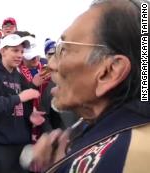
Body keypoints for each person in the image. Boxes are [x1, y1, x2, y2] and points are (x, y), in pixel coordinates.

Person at [29, 0, 150, 173]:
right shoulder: (97, 124)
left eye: (64, 49)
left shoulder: (124, 159)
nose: (51, 65)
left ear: (109, 72)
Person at [0, 34, 41, 173]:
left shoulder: (18, 76)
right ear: (3, 51)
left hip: (21, 144)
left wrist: (31, 115)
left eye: (22, 52)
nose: (19, 55)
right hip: (0, 146)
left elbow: (23, 103)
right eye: (15, 50)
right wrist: (19, 98)